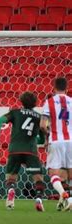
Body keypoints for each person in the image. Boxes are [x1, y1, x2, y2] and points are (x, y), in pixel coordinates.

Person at [0, 92, 46, 211]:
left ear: (21, 101)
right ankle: (38, 199)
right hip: (31, 151)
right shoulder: (39, 117)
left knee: (11, 177)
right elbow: (42, 139)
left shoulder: (15, 113)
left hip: (15, 150)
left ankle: (11, 191)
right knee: (38, 178)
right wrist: (32, 140)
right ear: (35, 103)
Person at [40, 77, 72, 211]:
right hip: (71, 141)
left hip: (56, 140)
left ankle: (64, 195)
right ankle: (67, 200)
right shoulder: (71, 101)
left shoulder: (49, 102)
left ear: (54, 87)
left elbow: (42, 125)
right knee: (68, 174)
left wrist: (47, 137)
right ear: (67, 87)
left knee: (53, 172)